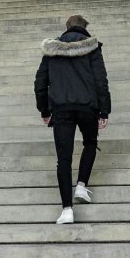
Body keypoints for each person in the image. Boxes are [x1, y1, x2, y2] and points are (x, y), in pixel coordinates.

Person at [34, 14, 111, 224]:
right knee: (90, 142)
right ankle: (81, 185)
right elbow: (101, 80)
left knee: (64, 159)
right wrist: (104, 111)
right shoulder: (92, 48)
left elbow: (40, 82)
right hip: (87, 107)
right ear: (85, 27)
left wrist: (44, 110)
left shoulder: (52, 50)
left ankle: (67, 210)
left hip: (61, 109)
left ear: (66, 28)